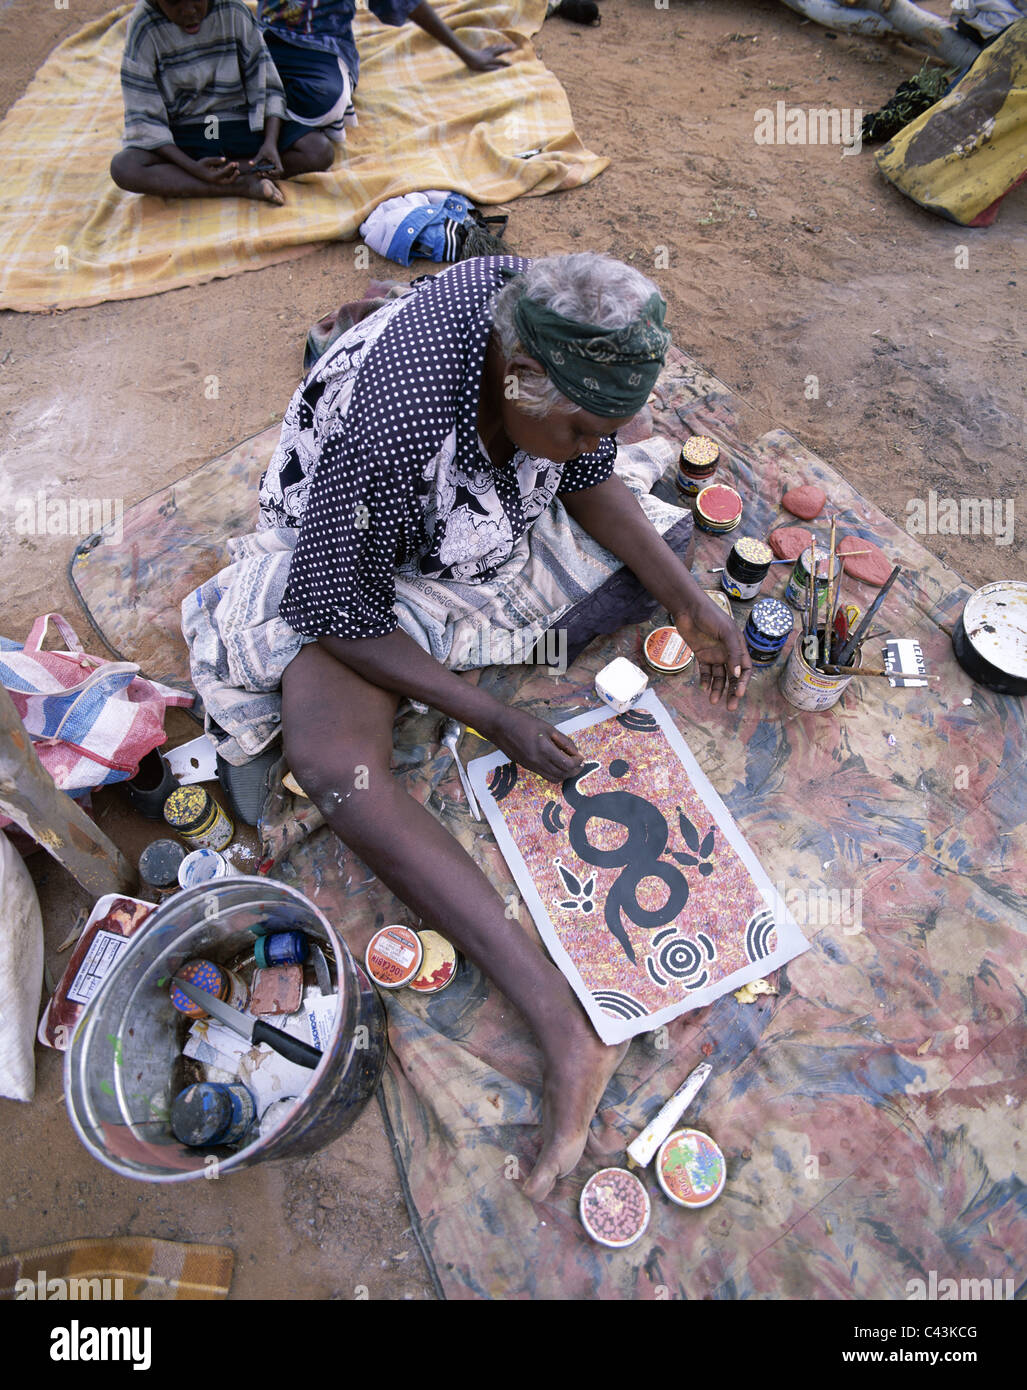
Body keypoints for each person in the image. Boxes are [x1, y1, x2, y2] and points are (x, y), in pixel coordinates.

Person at [185, 253, 752, 1201]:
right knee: (333, 765)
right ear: (514, 378)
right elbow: (333, 605)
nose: (583, 447)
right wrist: (489, 716)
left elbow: (587, 471)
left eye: (597, 428)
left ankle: (555, 601)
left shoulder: (534, 324)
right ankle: (563, 1027)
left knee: (659, 547)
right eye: (573, 426)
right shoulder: (393, 430)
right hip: (350, 556)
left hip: (465, 520)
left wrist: (689, 603)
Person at [111, 0, 334, 206]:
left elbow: (266, 83)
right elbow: (143, 114)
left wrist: (270, 143)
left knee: (318, 150)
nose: (189, 11)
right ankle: (242, 184)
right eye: (174, 1)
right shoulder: (144, 25)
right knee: (125, 167)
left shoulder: (233, 10)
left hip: (239, 123)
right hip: (184, 134)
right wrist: (193, 168)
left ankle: (222, 176)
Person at [256, 0, 513, 145]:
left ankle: (263, 128)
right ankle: (278, 134)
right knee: (225, 74)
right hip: (263, 37)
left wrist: (465, 52)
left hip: (321, 47)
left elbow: (402, 3)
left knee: (328, 101)